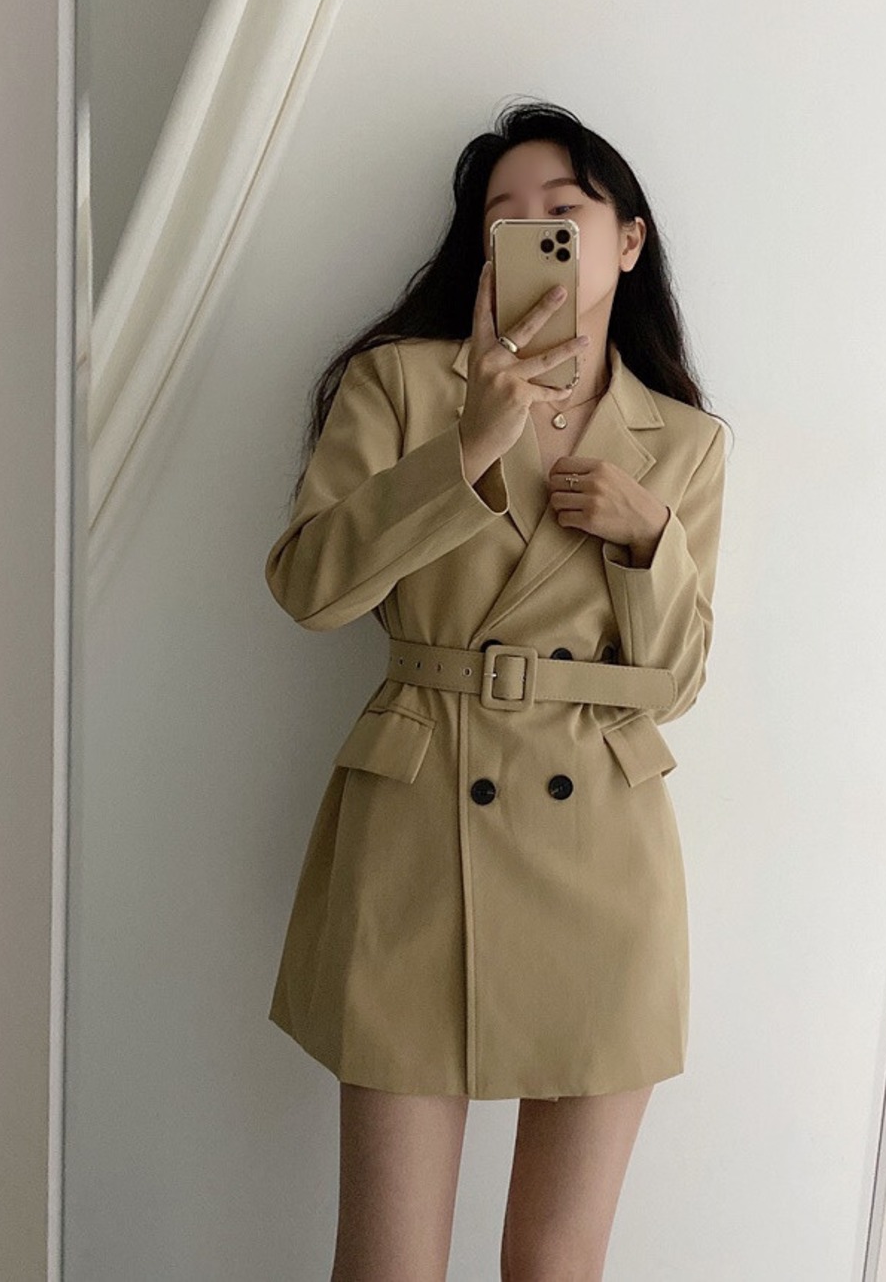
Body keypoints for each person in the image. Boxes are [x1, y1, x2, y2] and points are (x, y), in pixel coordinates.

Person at [264, 101, 729, 1280]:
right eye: (502, 218)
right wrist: (466, 446)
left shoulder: (680, 442)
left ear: (628, 239)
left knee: (558, 1265)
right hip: (420, 834)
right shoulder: (400, 385)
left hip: (602, 856)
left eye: (561, 212)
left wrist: (650, 541)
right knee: (388, 1263)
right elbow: (310, 591)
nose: (532, 233)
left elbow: (672, 684)